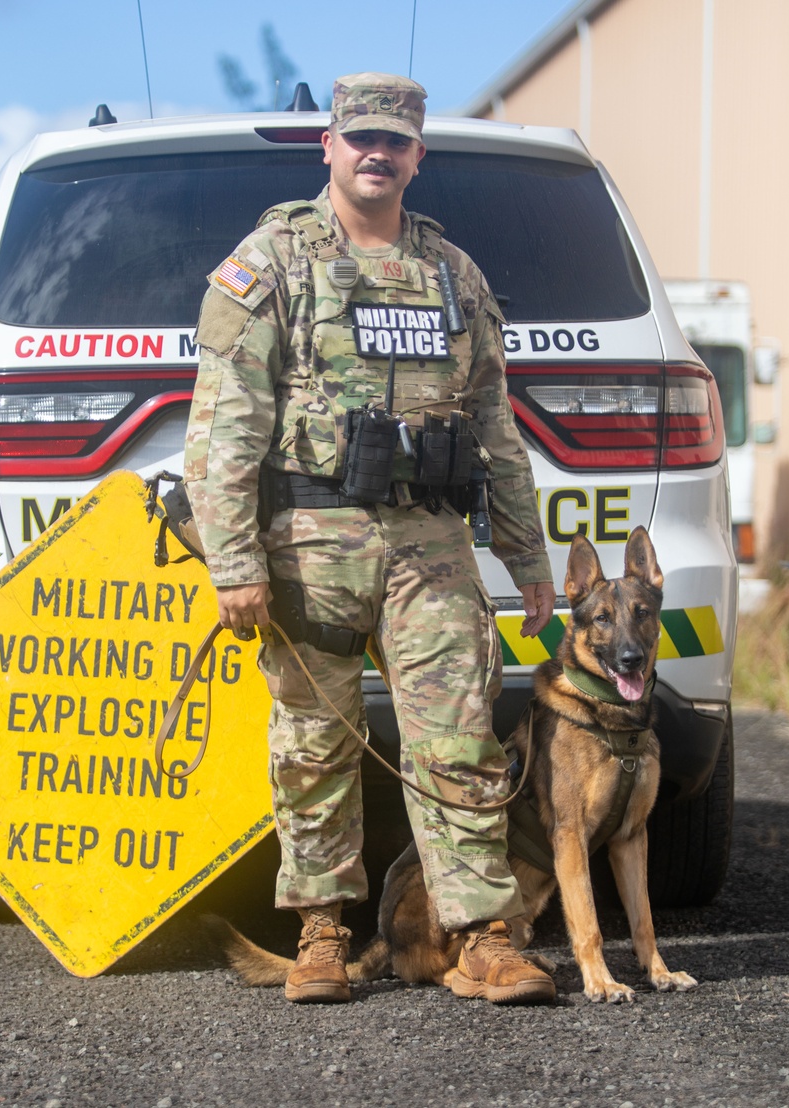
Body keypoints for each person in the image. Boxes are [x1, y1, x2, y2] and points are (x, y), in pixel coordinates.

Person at [184, 72, 556, 1005]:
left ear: (418, 156)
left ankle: (481, 935)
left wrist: (527, 556)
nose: (377, 154)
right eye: (362, 139)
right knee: (313, 743)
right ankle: (318, 932)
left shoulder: (452, 274)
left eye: (396, 141)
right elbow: (225, 423)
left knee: (460, 736)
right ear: (331, 148)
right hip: (312, 537)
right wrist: (233, 560)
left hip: (430, 541)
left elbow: (494, 426)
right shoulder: (271, 259)